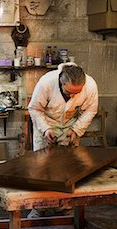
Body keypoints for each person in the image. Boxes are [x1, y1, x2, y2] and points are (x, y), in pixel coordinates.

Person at [26, 62, 98, 218]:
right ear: (61, 82)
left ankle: (65, 206)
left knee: (69, 167)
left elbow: (90, 110)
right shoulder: (46, 82)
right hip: (47, 120)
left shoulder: (90, 85)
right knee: (42, 166)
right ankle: (40, 207)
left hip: (70, 123)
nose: (72, 96)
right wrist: (46, 129)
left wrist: (76, 130)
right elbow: (34, 109)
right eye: (68, 92)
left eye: (76, 93)